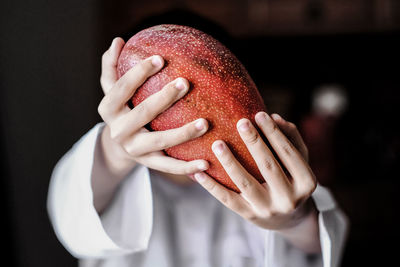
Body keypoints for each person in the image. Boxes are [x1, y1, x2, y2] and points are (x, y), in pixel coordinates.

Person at [47, 37, 348, 267]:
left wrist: (292, 220)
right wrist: (116, 149)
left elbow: (323, 246)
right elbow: (72, 221)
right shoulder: (100, 175)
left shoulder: (271, 181)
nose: (197, 115)